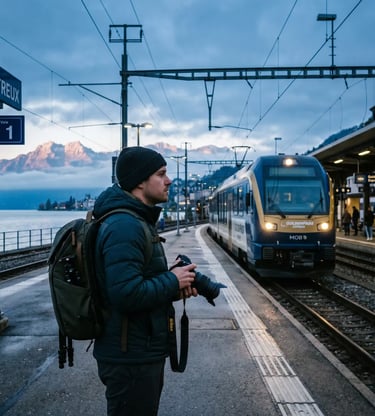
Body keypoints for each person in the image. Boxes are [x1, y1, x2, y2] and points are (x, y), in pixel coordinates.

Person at [92, 146, 202, 416]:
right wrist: (171, 282)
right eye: (161, 174)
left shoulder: (134, 221)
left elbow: (134, 282)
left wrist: (173, 282)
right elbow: (125, 294)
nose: (169, 180)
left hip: (137, 349)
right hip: (130, 356)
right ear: (140, 181)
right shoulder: (125, 226)